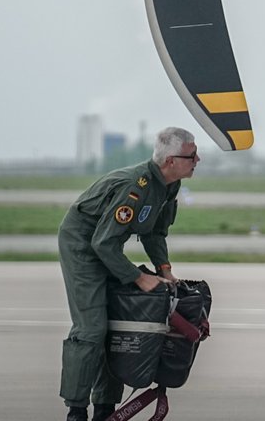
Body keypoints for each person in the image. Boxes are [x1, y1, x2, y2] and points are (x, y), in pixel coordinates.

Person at [58, 127, 198, 421]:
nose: (198, 160)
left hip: (107, 244)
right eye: (192, 155)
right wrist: (138, 277)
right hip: (83, 246)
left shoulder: (168, 185)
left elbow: (155, 232)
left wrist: (164, 270)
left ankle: (105, 409)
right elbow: (101, 243)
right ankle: (76, 410)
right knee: (92, 329)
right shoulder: (136, 187)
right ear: (171, 160)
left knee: (118, 326)